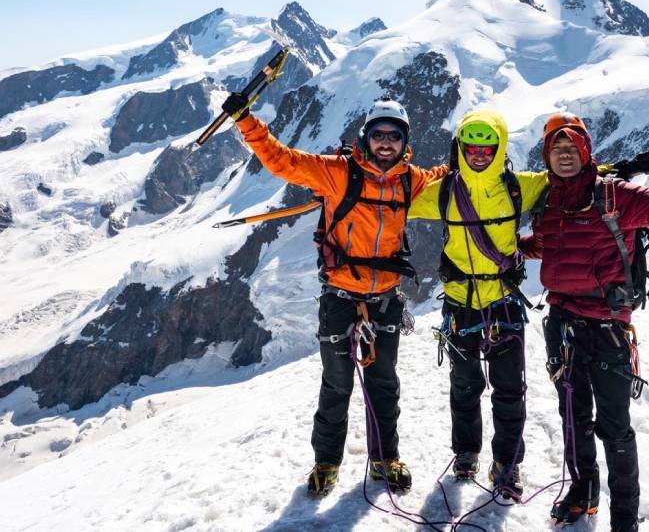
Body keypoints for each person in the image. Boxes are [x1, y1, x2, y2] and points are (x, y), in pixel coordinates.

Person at [220, 92, 447, 496]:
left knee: (384, 383)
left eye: (394, 136)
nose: (386, 143)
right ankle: (326, 462)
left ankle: (385, 460)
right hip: (340, 298)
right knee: (337, 385)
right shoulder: (337, 172)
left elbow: (446, 173)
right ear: (365, 136)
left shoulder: (410, 179)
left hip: (386, 299)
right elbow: (281, 160)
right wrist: (246, 120)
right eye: (379, 134)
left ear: (404, 142)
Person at [529, 112, 649, 532]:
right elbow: (542, 245)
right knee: (573, 416)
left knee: (614, 426)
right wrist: (494, 248)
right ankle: (583, 494)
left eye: (571, 149)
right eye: (556, 150)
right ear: (546, 156)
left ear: (586, 153)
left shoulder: (615, 195)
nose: (564, 156)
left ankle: (624, 520)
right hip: (561, 325)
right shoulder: (550, 201)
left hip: (605, 326)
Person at [408, 109, 548, 499]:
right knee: (465, 386)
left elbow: (568, 178)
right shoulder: (444, 190)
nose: (480, 153)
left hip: (502, 300)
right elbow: (393, 198)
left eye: (488, 146)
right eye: (472, 146)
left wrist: (611, 169)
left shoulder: (519, 186)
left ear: (498, 146)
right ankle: (467, 453)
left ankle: (507, 462)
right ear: (461, 147)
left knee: (507, 388)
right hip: (460, 302)